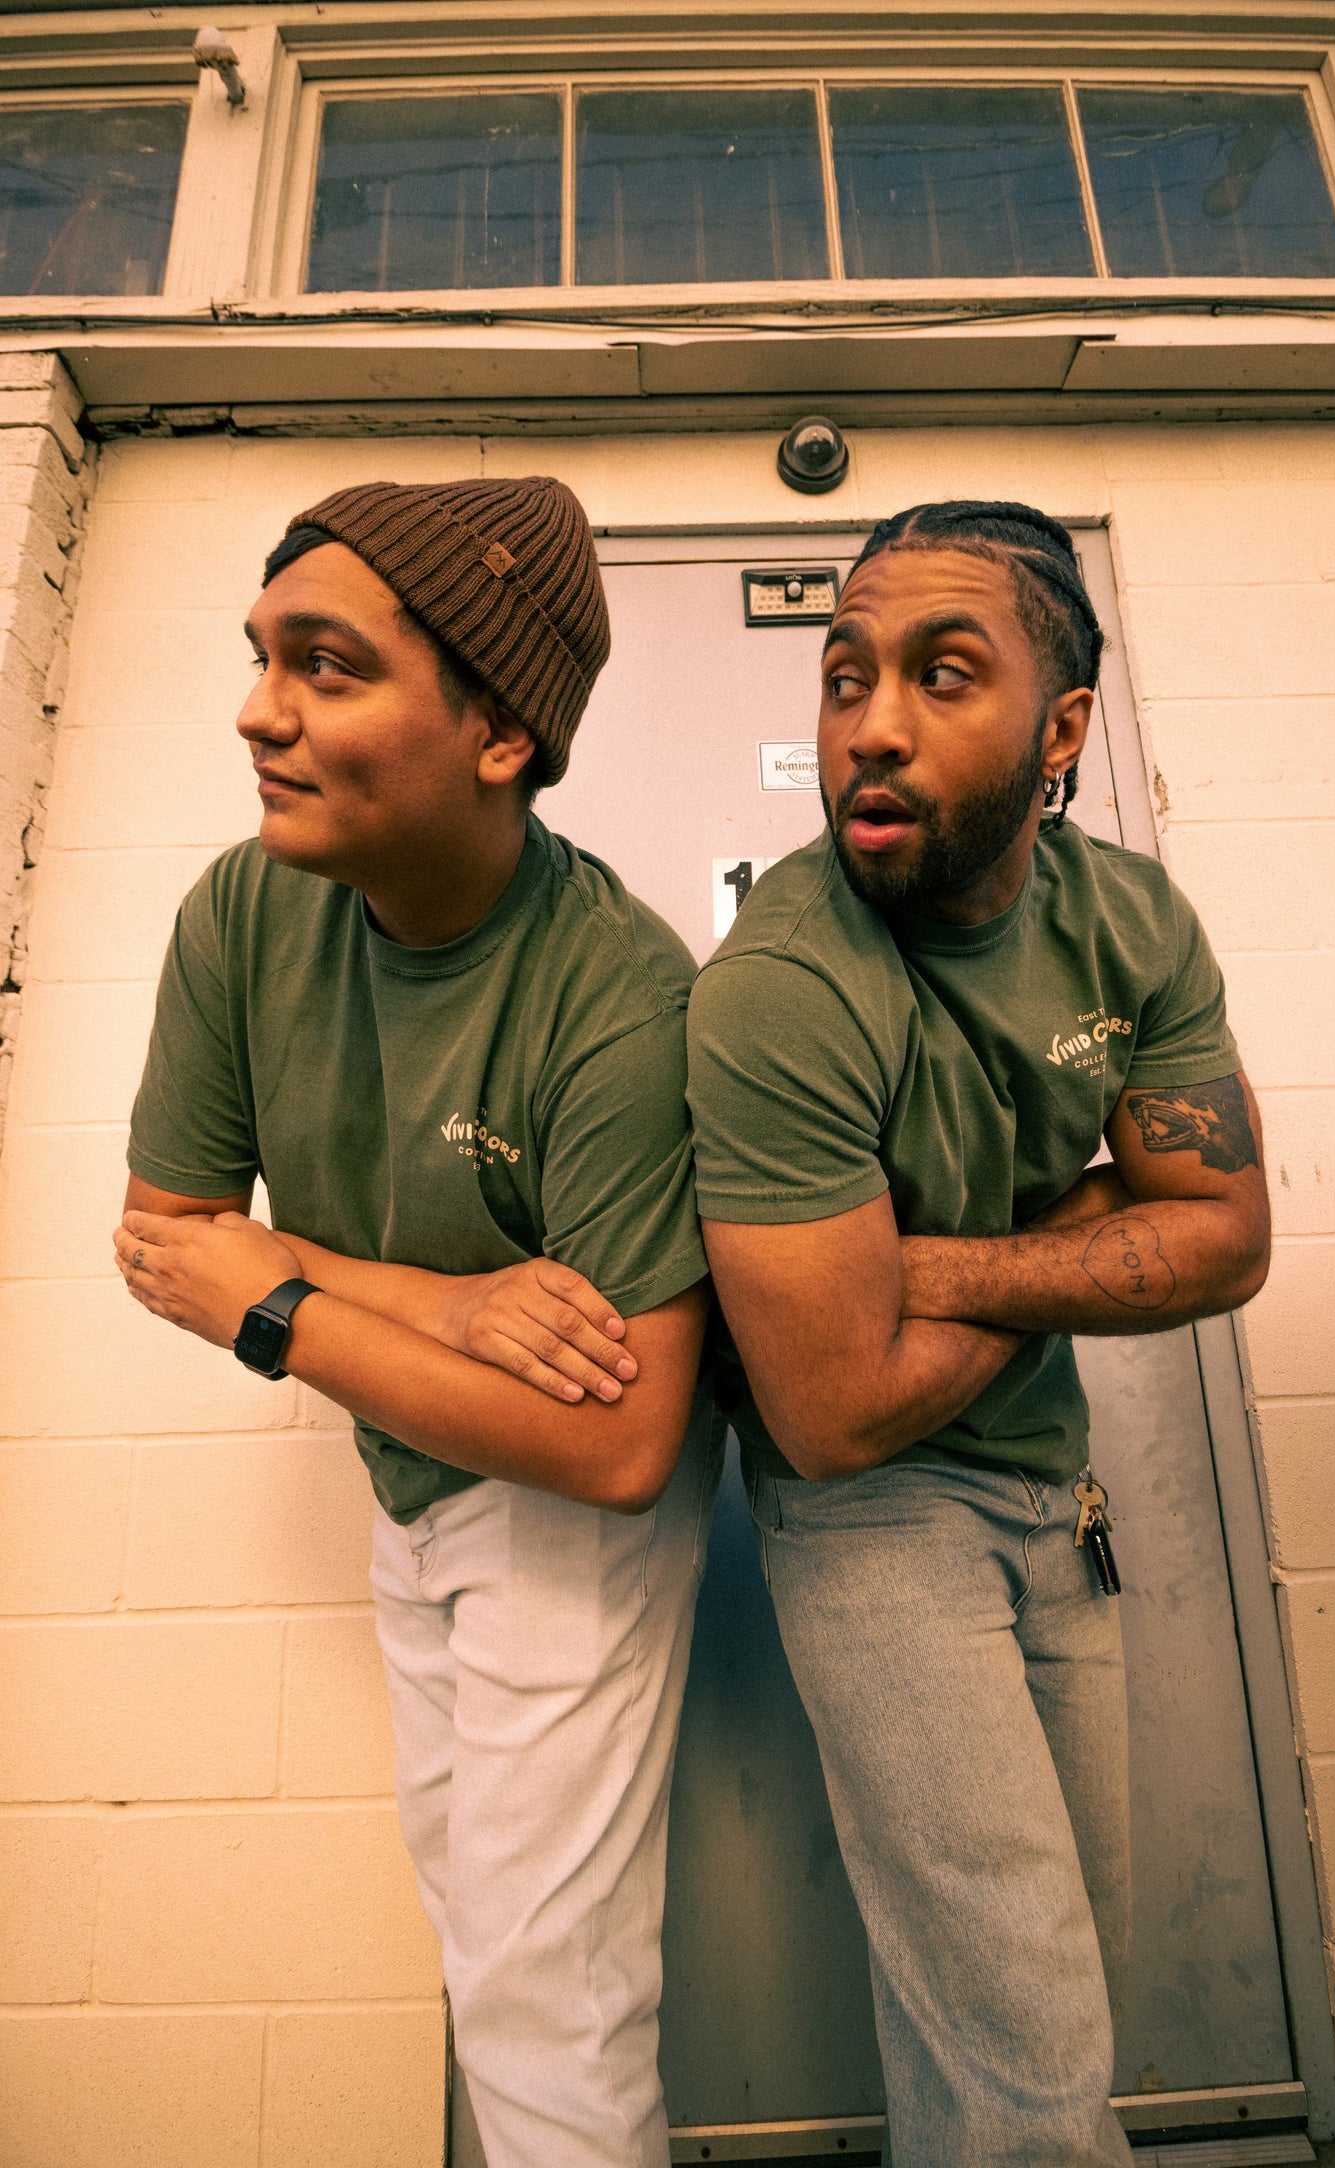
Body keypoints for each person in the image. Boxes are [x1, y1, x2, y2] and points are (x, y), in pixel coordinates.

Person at [114, 478, 718, 2168]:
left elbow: (619, 1441)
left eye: (327, 666)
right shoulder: (244, 910)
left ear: (500, 733)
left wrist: (284, 1301)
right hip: (413, 1471)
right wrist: (431, 1298)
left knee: (545, 1994)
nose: (258, 711)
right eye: (260, 659)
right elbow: (170, 1239)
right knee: (484, 1932)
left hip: (561, 1515)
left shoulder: (619, 991)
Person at [685, 500, 1271, 2168]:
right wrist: (1091, 1224)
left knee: (1044, 1968)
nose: (871, 724)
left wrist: (925, 1269)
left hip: (1051, 1498)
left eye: (945, 675)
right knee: (1018, 2014)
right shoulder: (782, 987)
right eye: (846, 675)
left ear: (1060, 727)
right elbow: (829, 1411)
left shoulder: (1130, 924)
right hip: (872, 1518)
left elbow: (1224, 1237)